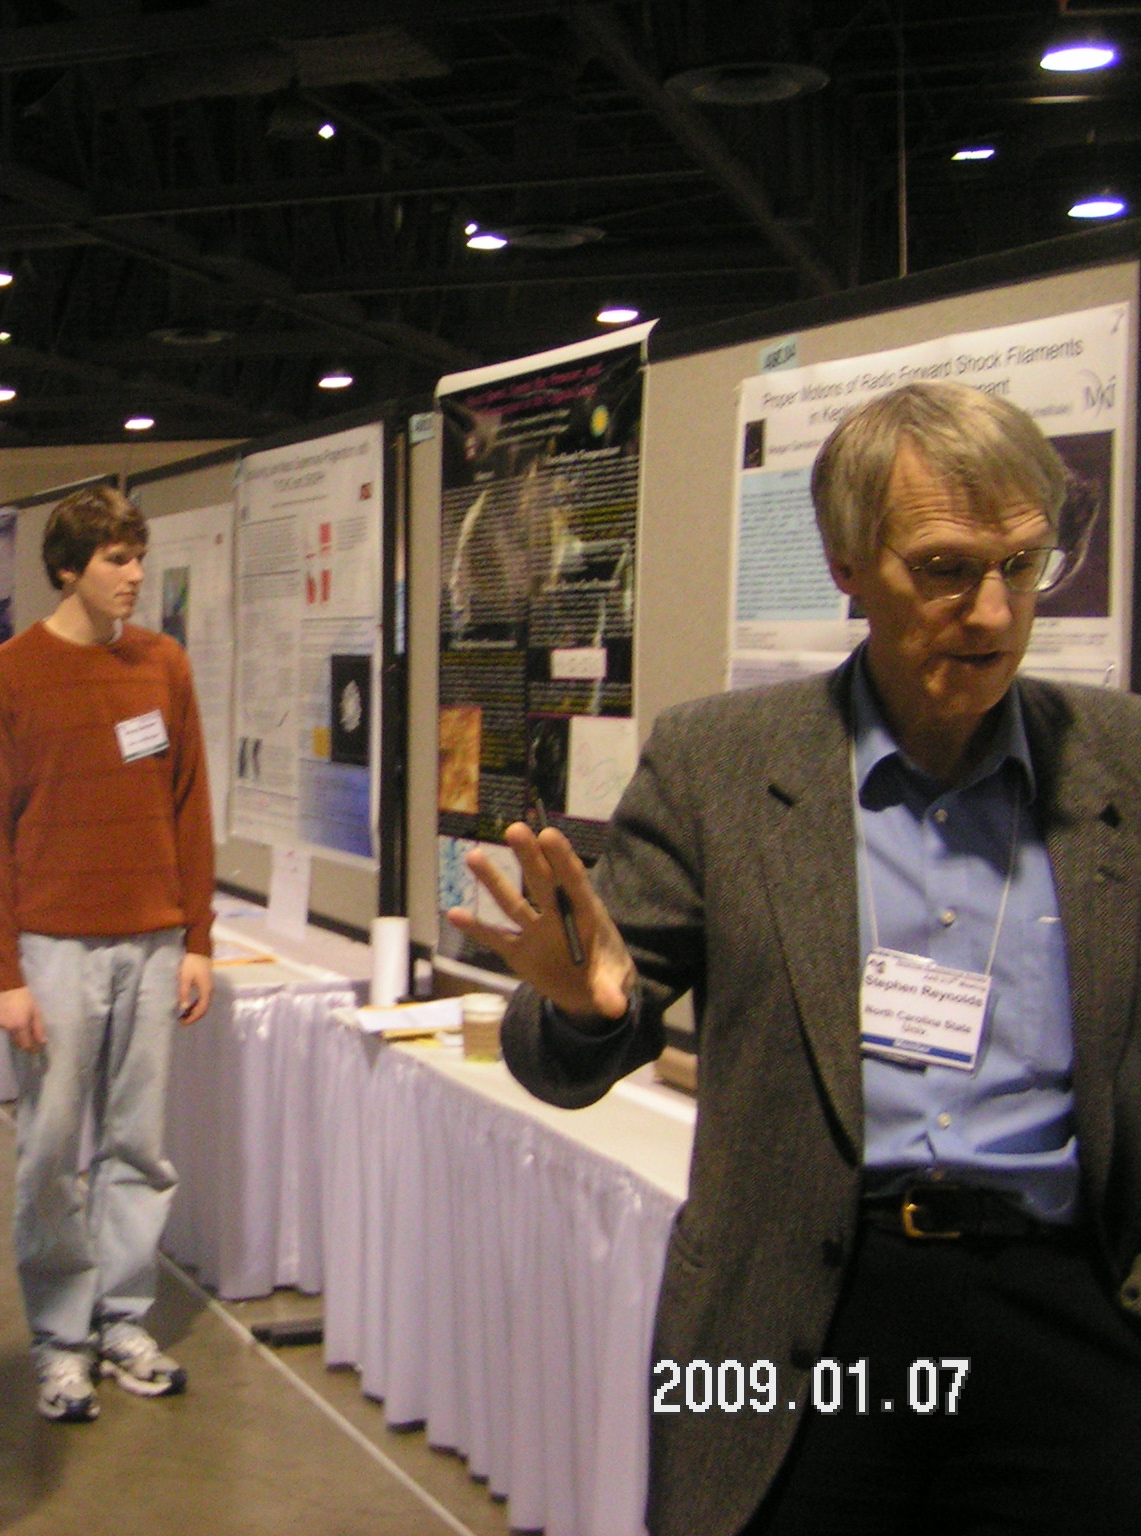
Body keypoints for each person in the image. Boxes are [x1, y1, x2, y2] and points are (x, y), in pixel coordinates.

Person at [449, 381, 1141, 1536]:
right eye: (943, 569)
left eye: (1021, 566)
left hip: (1061, 1315)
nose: (990, 612)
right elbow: (563, 1049)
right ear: (845, 565)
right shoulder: (721, 762)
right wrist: (584, 1009)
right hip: (792, 1316)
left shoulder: (1117, 759)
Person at [0, 484, 216, 1423]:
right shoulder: (6, 677)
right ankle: (58, 1337)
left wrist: (197, 939)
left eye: (138, 556)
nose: (135, 574)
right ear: (68, 569)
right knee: (49, 1151)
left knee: (137, 1146)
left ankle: (123, 1320)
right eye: (116, 558)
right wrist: (5, 974)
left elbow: (190, 805)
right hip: (52, 948)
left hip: (153, 940)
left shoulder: (164, 665)